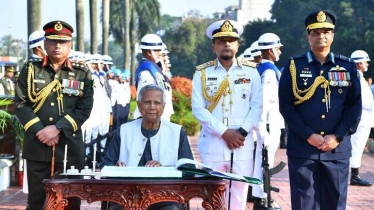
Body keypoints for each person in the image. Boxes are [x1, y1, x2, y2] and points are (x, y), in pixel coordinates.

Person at [278, 10, 362, 210]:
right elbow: (286, 106)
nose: (321, 36)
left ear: (332, 35)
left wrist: (338, 136)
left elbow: (355, 106)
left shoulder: (347, 66)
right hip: (303, 148)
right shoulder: (294, 66)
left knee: (335, 204)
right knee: (303, 204)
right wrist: (308, 135)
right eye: (315, 32)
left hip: (337, 149)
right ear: (308, 36)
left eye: (326, 31)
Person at [14, 20, 94, 210]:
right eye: (53, 41)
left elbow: (84, 108)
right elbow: (21, 103)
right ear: (44, 44)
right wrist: (41, 131)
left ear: (70, 45)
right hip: (38, 145)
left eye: (63, 42)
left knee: (69, 200)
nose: (58, 46)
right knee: (36, 200)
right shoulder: (31, 70)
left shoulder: (82, 73)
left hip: (69, 148)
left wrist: (58, 129)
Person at [192, 19, 262, 210]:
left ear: (238, 45)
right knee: (213, 195)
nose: (227, 45)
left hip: (241, 142)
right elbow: (198, 109)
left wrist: (241, 132)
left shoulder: (251, 72)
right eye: (222, 41)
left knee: (239, 194)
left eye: (231, 40)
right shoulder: (202, 73)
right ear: (213, 46)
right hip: (213, 142)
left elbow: (257, 106)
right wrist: (224, 132)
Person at [100, 84, 194, 210]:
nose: (152, 107)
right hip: (126, 196)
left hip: (166, 196)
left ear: (164, 106)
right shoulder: (123, 130)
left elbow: (189, 169)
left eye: (157, 103)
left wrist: (164, 170)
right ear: (139, 105)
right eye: (147, 102)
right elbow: (105, 165)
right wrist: (117, 169)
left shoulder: (177, 132)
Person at [134, 34, 174, 121]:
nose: (160, 53)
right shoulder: (146, 73)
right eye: (158, 50)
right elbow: (145, 100)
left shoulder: (154, 70)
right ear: (149, 52)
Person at [349, 50, 374, 186]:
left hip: (362, 117)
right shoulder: (357, 78)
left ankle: (355, 173)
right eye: (366, 62)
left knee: (357, 146)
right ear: (359, 63)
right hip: (361, 117)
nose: (367, 65)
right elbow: (363, 100)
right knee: (357, 146)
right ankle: (355, 175)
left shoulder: (358, 77)